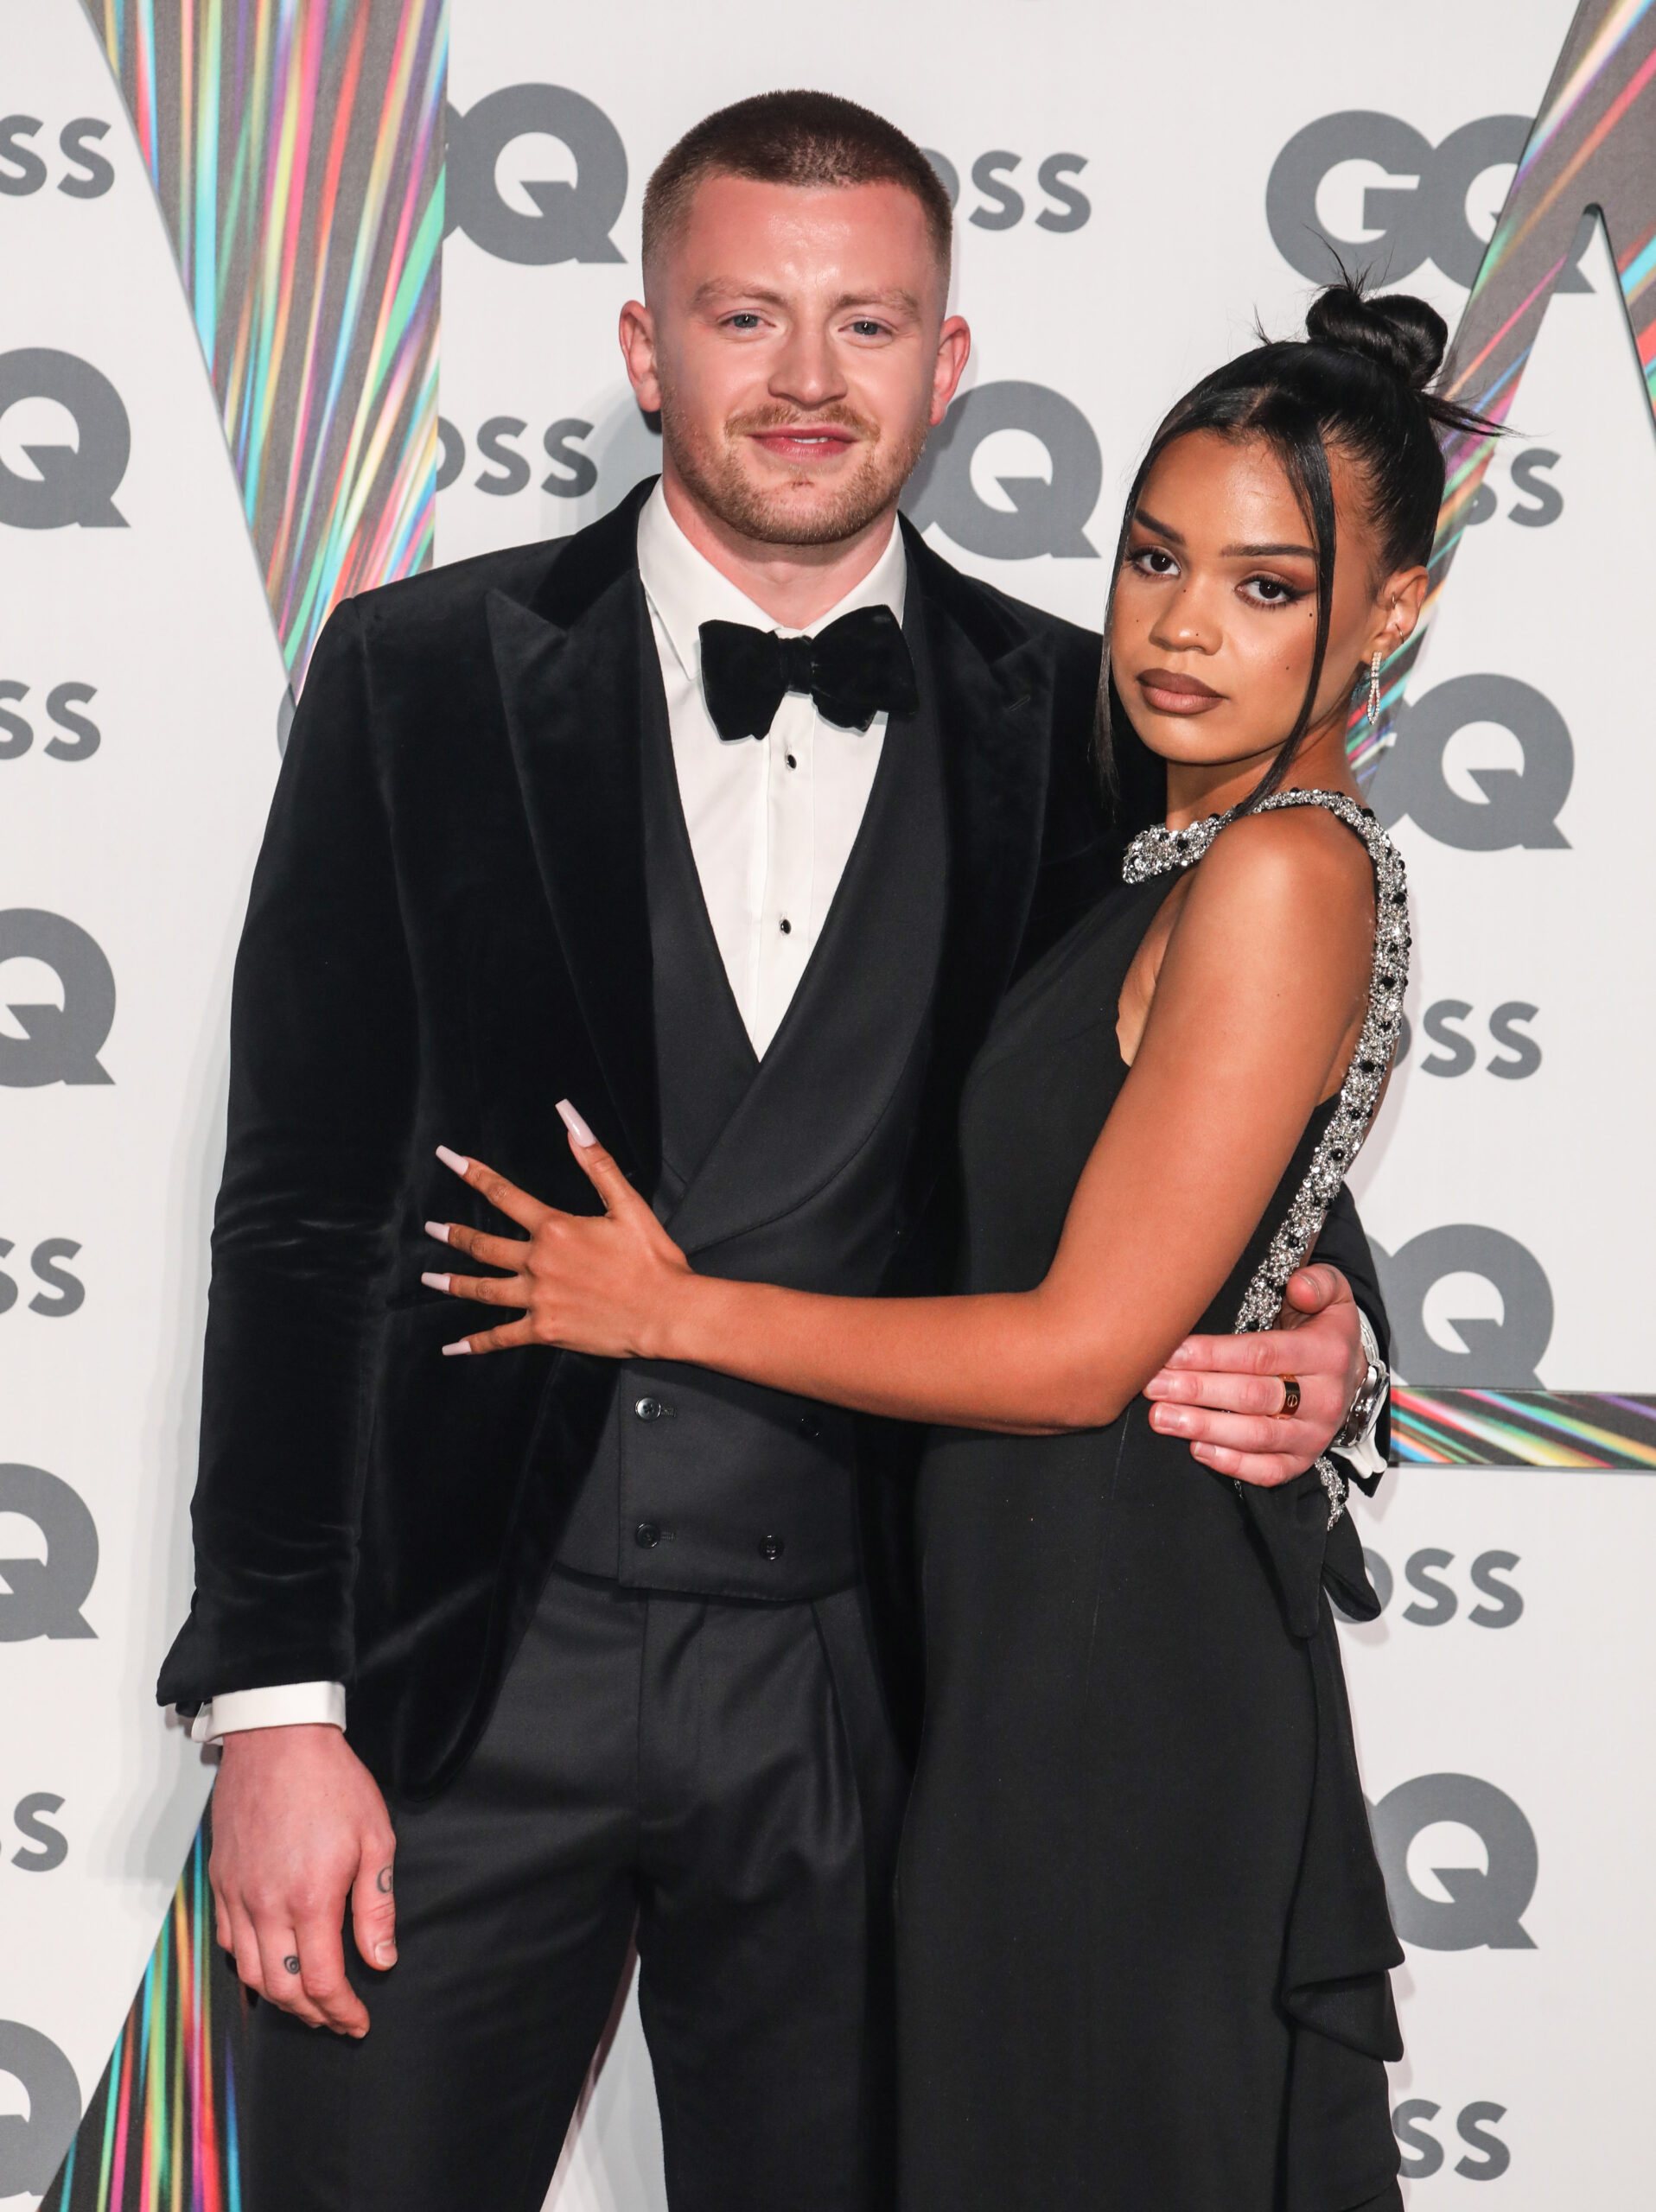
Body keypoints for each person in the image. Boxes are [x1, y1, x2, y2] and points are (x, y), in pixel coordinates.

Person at [158, 92, 1392, 2212]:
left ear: (951, 360)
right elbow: (296, 1212)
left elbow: (1203, 1093)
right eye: (746, 315)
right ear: (648, 350)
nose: (809, 381)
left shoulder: (1087, 709)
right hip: (458, 1689)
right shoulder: (418, 676)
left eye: (868, 324)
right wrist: (273, 1705)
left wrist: (1336, 1328)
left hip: (884, 1704)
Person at [423, 280, 1460, 2209]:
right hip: (1006, 1657)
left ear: (1389, 614)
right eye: (1155, 556)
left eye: (1265, 585)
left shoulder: (1283, 867)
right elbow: (1206, 1193)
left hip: (1119, 1678)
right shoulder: (1147, 829)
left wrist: (671, 1306)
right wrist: (1324, 1318)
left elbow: (1082, 1343)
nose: (1174, 623)